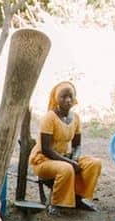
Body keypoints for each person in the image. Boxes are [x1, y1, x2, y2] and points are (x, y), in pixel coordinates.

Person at [28, 81, 102, 213]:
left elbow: (77, 145)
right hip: (44, 160)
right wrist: (70, 162)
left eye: (70, 96)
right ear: (56, 98)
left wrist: (75, 158)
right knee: (66, 168)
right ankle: (56, 204)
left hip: (64, 157)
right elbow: (46, 149)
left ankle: (78, 198)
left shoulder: (76, 118)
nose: (68, 100)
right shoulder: (49, 117)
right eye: (63, 96)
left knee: (94, 164)